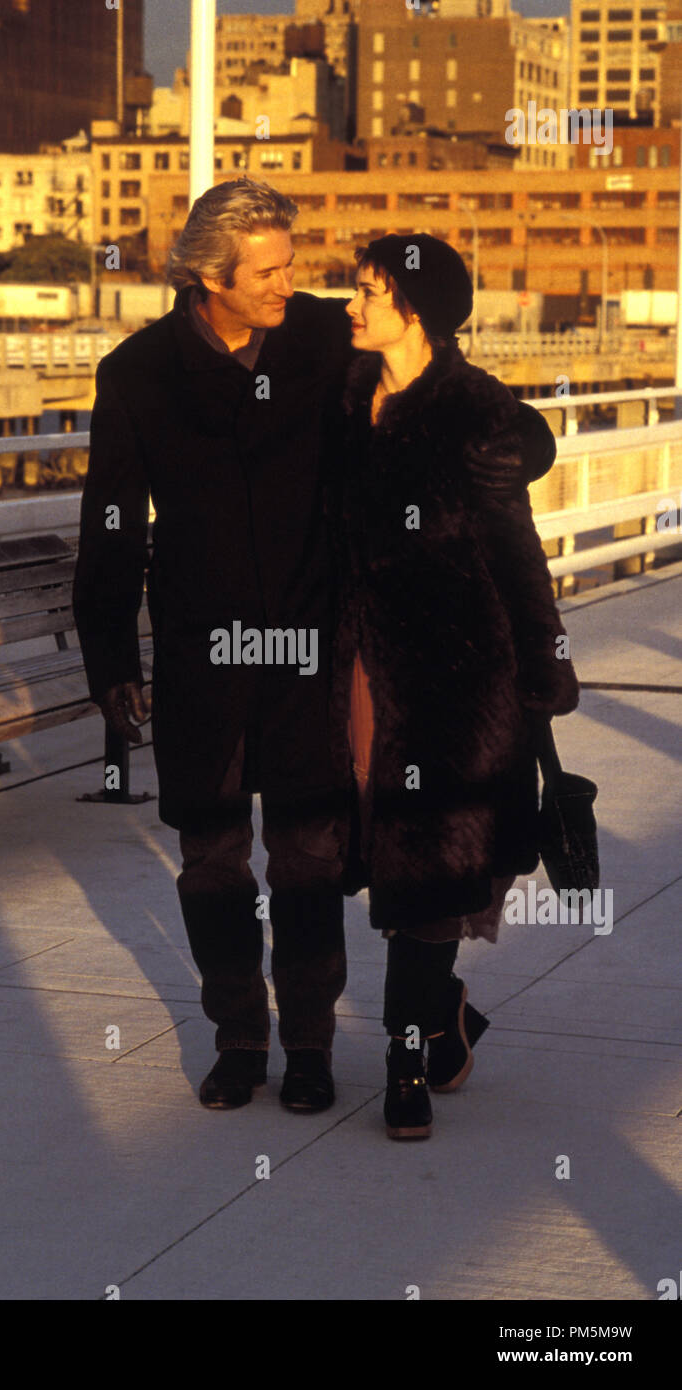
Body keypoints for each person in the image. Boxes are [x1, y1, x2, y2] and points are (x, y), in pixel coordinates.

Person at [72, 178, 355, 1114]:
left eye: (290, 264)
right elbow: (112, 521)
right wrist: (111, 657)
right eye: (268, 270)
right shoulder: (139, 372)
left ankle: (311, 1042)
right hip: (202, 649)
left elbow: (422, 381)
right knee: (212, 859)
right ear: (209, 276)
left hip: (309, 639)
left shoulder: (322, 336)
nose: (288, 282)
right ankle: (240, 1037)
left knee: (311, 852)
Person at [331, 234, 580, 1140]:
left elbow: (516, 545)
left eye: (365, 291)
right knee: (380, 865)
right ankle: (445, 1027)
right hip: (360, 673)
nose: (349, 305)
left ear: (415, 307)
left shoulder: (473, 410)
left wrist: (545, 656)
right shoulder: (346, 392)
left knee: (424, 879)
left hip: (457, 679)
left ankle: (403, 1070)